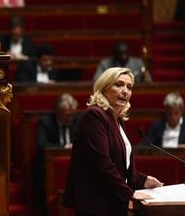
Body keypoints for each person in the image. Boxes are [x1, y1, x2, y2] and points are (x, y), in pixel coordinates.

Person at [63, 67, 163, 216]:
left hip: (112, 202)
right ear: (104, 88)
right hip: (96, 204)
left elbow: (121, 165)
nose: (125, 91)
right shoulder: (94, 116)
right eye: (119, 85)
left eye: (129, 87)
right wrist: (130, 193)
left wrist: (143, 180)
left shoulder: (116, 119)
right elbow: (103, 165)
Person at [35, 93, 79, 215]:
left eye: (72, 115)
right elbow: (42, 145)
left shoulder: (76, 120)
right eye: (67, 116)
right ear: (58, 112)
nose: (70, 119)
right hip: (50, 166)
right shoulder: (45, 122)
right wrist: (64, 147)